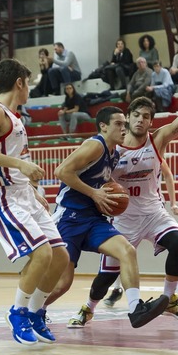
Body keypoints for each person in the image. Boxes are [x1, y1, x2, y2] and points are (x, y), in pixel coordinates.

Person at [71, 58, 178, 327]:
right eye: (137, 115)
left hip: (153, 213)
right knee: (106, 278)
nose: (141, 120)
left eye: (146, 116)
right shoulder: (112, 147)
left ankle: (170, 299)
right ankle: (89, 307)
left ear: (151, 121)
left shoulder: (157, 140)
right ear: (128, 118)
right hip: (123, 218)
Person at [0, 58, 69, 345]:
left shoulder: (16, 118)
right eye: (28, 84)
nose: (29, 90)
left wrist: (32, 188)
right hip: (3, 196)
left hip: (24, 193)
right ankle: (17, 312)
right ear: (19, 83)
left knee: (60, 257)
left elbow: (18, 161)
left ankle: (36, 312)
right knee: (42, 254)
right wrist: (20, 165)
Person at [44, 107, 170, 328]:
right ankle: (32, 309)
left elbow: (101, 181)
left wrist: (114, 195)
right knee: (63, 283)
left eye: (124, 124)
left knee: (127, 251)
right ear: (103, 126)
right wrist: (94, 193)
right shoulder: (95, 145)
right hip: (69, 219)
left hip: (93, 219)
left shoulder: (114, 155)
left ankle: (136, 309)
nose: (124, 129)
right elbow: (62, 171)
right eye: (118, 124)